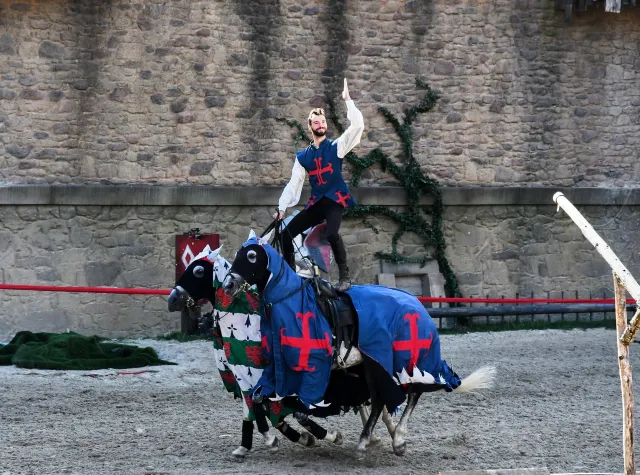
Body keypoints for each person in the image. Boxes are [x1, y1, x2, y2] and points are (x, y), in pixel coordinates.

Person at [274, 78, 364, 292]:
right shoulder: (303, 157)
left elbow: (358, 126)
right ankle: (290, 276)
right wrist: (281, 208)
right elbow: (294, 184)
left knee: (332, 233)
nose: (321, 125)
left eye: (323, 122)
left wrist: (348, 100)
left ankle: (345, 277)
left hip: (335, 201)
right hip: (317, 202)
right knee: (285, 234)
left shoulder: (337, 147)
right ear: (310, 127)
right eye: (316, 123)